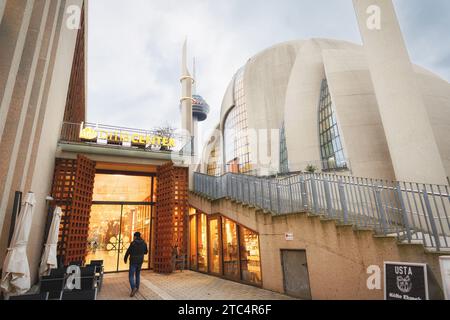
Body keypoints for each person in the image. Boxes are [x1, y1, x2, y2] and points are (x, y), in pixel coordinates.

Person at [124, 232, 148, 297]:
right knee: (137, 274)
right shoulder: (144, 243)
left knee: (131, 276)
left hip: (133, 261)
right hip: (140, 261)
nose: (133, 237)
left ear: (135, 236)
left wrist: (125, 258)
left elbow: (128, 251)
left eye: (134, 236)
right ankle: (137, 288)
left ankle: (133, 287)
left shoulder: (133, 243)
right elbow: (146, 252)